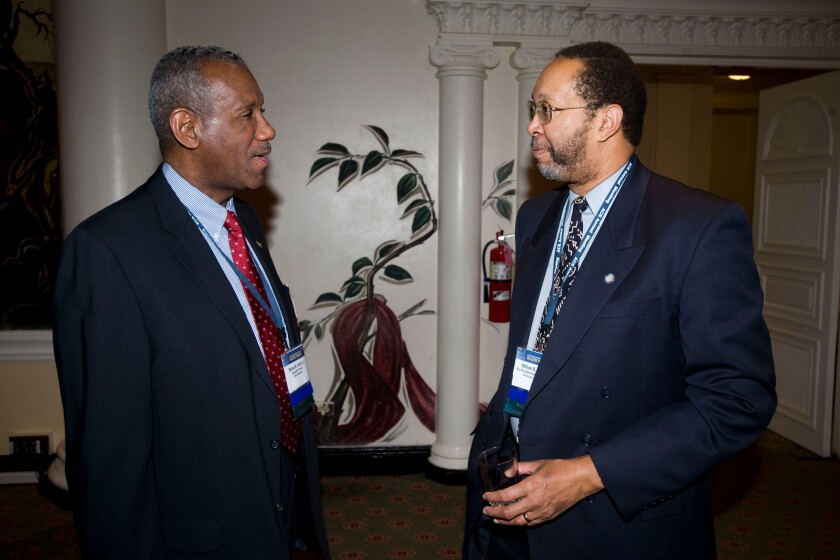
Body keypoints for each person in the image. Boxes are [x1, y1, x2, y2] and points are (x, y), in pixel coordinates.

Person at [463, 41, 776, 560]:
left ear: (607, 121)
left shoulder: (697, 228)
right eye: (531, 110)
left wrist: (588, 474)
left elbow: (737, 400)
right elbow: (540, 349)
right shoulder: (535, 220)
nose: (532, 127)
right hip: (508, 498)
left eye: (547, 109)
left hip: (614, 525)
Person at [53, 46, 330, 559]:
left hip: (277, 508)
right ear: (187, 128)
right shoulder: (107, 251)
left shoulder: (242, 221)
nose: (267, 129)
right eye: (248, 114)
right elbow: (111, 462)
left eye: (262, 111)